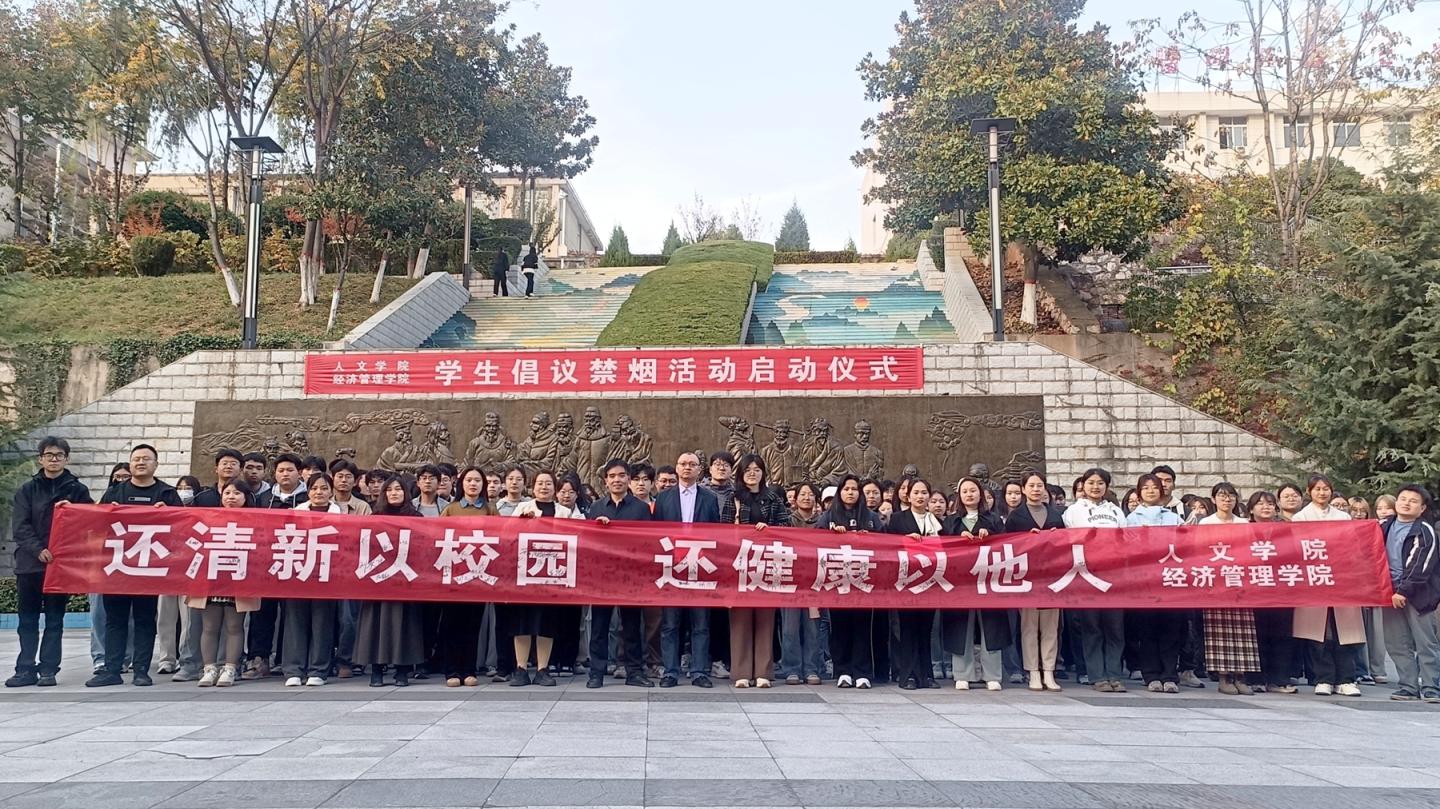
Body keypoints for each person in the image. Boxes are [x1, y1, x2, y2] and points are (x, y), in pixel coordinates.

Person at [87, 444, 182, 688]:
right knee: (115, 620)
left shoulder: (167, 494)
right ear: (130, 464)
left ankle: (141, 670)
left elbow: (182, 528)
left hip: (149, 569)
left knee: (144, 620)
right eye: (136, 458)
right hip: (118, 567)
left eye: (146, 459)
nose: (141, 462)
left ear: (156, 465)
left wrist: (169, 514)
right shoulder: (114, 493)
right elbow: (96, 526)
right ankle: (112, 669)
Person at [7, 437, 93, 688]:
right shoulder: (27, 490)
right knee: (28, 620)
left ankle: (48, 669)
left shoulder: (77, 490)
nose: (54, 459)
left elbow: (89, 521)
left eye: (59, 455)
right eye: (49, 455)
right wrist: (38, 549)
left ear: (67, 459)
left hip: (60, 566)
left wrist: (74, 509)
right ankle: (25, 669)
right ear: (40, 459)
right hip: (30, 565)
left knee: (55, 620)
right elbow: (20, 526)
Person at [1291, 474, 1364, 696]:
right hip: (1314, 578)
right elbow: (1298, 548)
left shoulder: (1343, 516)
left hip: (1341, 578)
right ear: (1309, 491)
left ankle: (1346, 679)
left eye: (1326, 489)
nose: (1322, 493)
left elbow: (1351, 546)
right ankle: (1323, 678)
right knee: (1318, 631)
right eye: (1317, 489)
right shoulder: (1301, 517)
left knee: (1345, 630)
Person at [654, 452, 721, 688]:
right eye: (683, 464)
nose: (687, 468)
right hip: (672, 567)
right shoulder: (664, 498)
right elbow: (656, 533)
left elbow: (716, 533)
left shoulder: (709, 498)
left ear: (700, 470)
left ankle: (699, 671)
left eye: (692, 464)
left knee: (700, 624)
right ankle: (670, 672)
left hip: (699, 567)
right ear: (676, 468)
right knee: (670, 624)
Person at [504, 470, 576, 687]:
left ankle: (543, 669)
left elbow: (579, 536)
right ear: (532, 487)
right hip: (526, 574)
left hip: (553, 575)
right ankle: (521, 668)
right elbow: (507, 535)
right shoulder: (522, 508)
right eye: (540, 483)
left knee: (547, 622)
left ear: (555, 488)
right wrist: (521, 523)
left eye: (548, 483)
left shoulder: (565, 512)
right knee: (522, 622)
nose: (544, 487)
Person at [353, 476, 427, 687]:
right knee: (376, 625)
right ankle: (376, 670)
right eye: (390, 490)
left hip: (405, 579)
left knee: (404, 624)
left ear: (406, 493)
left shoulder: (416, 517)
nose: (394, 493)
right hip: (378, 579)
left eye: (398, 489)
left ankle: (402, 671)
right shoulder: (375, 518)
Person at [723, 454, 789, 688]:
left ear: (763, 473)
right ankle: (741, 672)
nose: (752, 473)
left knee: (765, 618)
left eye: (757, 469)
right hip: (740, 564)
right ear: (741, 473)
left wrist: (769, 530)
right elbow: (723, 530)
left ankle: (763, 671)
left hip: (767, 562)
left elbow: (786, 527)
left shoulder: (773, 498)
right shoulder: (733, 498)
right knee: (740, 619)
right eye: (748, 469)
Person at [588, 459, 654, 688]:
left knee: (632, 626)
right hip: (602, 577)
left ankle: (634, 672)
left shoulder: (641, 509)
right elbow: (587, 542)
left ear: (628, 479)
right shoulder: (596, 508)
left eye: (621, 475)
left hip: (630, 577)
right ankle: (596, 672)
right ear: (605, 481)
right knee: (599, 627)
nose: (617, 480)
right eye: (612, 476)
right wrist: (598, 528)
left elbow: (647, 543)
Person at [187, 479, 261, 687]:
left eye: (237, 493)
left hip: (239, 578)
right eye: (227, 493)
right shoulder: (210, 517)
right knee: (209, 626)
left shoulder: (256, 520)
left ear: (246, 497)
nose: (231, 497)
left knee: (234, 626)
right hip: (212, 578)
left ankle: (230, 668)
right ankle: (209, 669)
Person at [941, 476, 1010, 691]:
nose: (969, 494)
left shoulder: (993, 520)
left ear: (980, 494)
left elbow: (1006, 545)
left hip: (988, 579)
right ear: (959, 496)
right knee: (962, 626)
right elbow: (942, 547)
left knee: (991, 626)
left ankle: (992, 674)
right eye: (965, 491)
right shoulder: (951, 521)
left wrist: (990, 536)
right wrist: (957, 537)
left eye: (973, 490)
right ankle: (963, 673)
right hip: (960, 582)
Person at [1062, 467, 1128, 693]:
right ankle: (1096, 675)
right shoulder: (1073, 511)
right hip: (1087, 574)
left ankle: (1115, 675)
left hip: (1113, 575)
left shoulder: (1116, 511)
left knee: (1115, 628)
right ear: (1083, 485)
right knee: (1091, 627)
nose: (1095, 487)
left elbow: (1126, 540)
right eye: (1091, 482)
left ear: (1106, 487)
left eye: (1100, 483)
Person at [818, 475, 883, 689]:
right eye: (846, 489)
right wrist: (832, 535)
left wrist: (869, 537)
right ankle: (843, 671)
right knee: (839, 627)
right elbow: (814, 541)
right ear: (840, 492)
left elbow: (885, 544)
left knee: (863, 627)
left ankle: (862, 672)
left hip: (864, 580)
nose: (850, 492)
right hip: (838, 580)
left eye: (854, 489)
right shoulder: (829, 516)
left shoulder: (871, 517)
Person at [1004, 472, 1065, 692]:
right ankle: (1032, 671)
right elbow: (1008, 546)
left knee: (1050, 627)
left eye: (1039, 485)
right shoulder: (1016, 517)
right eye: (1031, 486)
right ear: (1023, 489)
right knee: (1029, 626)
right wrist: (1027, 539)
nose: (1036, 489)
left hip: (1051, 577)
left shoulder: (1056, 515)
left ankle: (1049, 670)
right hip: (1027, 577)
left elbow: (1066, 545)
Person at [1198, 482, 1261, 695]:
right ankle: (1224, 677)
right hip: (1216, 582)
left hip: (1240, 581)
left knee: (1243, 631)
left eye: (1231, 496)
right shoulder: (1206, 523)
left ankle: (1241, 677)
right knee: (1219, 631)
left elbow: (1252, 551)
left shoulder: (1244, 524)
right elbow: (1199, 552)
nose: (1227, 500)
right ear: (1213, 499)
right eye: (1222, 496)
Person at [1379, 485, 1440, 702]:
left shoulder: (1425, 530)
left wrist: (1403, 591)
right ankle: (1408, 686)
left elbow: (1421, 565)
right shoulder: (1384, 526)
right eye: (1403, 499)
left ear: (1422, 508)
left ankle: (1432, 686)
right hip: (1388, 593)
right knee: (1396, 642)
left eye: (1413, 501)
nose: (1406, 503)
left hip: (1419, 596)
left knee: (1426, 642)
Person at [1126, 474, 1186, 694]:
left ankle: (1170, 675)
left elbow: (1186, 545)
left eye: (1155, 487)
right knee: (1147, 630)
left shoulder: (1173, 518)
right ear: (1139, 492)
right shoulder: (1131, 519)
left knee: (1171, 630)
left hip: (1170, 579)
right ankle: (1151, 675)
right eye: (1146, 488)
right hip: (1144, 581)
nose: (1150, 491)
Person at [437, 467, 497, 687]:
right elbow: (437, 537)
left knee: (473, 625)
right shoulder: (451, 509)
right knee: (451, 624)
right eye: (469, 480)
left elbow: (500, 538)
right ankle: (451, 670)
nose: (473, 484)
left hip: (478, 575)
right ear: (461, 484)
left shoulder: (490, 510)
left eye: (477, 480)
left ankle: (469, 669)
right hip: (454, 575)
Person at [282, 473, 342, 687]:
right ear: (308, 491)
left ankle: (318, 670)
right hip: (298, 574)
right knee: (295, 622)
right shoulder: (295, 514)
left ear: (331, 491)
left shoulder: (341, 516)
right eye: (314, 488)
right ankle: (293, 669)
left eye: (324, 488)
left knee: (322, 623)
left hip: (326, 576)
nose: (319, 492)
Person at [1246, 490, 1297, 693]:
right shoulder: (1243, 530)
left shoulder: (1284, 529)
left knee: (1281, 634)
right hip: (1252, 589)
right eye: (1260, 503)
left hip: (1280, 588)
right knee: (1256, 634)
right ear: (1251, 509)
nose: (1265, 507)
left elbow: (1293, 554)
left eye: (1269, 504)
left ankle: (1279, 679)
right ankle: (1256, 679)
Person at [779, 482, 825, 685]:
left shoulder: (823, 523)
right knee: (790, 628)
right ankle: (792, 669)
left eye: (811, 494)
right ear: (795, 499)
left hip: (814, 582)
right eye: (803, 494)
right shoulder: (786, 521)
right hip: (791, 581)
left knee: (813, 627)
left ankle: (812, 668)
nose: (807, 497)